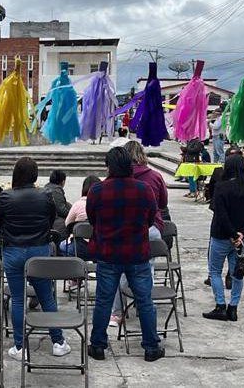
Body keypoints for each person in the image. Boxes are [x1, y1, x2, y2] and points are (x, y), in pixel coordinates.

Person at [86, 147, 164, 362]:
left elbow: (93, 220)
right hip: (137, 253)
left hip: (109, 254)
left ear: (108, 166)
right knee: (145, 300)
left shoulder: (97, 190)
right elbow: (150, 219)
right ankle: (150, 347)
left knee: (103, 300)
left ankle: (98, 345)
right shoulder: (144, 189)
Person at [0, 157, 71, 359]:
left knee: (18, 299)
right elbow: (51, 219)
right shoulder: (45, 196)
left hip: (13, 251)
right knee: (46, 297)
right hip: (39, 251)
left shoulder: (5, 197)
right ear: (35, 175)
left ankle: (19, 347)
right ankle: (58, 342)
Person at [203, 154, 244, 322]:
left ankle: (221, 305)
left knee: (215, 271)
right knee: (237, 273)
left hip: (221, 235)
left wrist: (233, 234)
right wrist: (241, 234)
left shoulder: (222, 187)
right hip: (241, 239)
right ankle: (233, 307)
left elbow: (221, 214)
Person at [59, 175, 101, 257]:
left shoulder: (77, 204)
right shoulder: (103, 205)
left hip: (79, 248)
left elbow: (67, 224)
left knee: (62, 246)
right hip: (99, 247)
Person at [43, 170, 71, 240]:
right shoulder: (56, 191)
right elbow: (61, 211)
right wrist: (71, 213)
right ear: (63, 181)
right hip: (55, 223)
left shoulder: (46, 188)